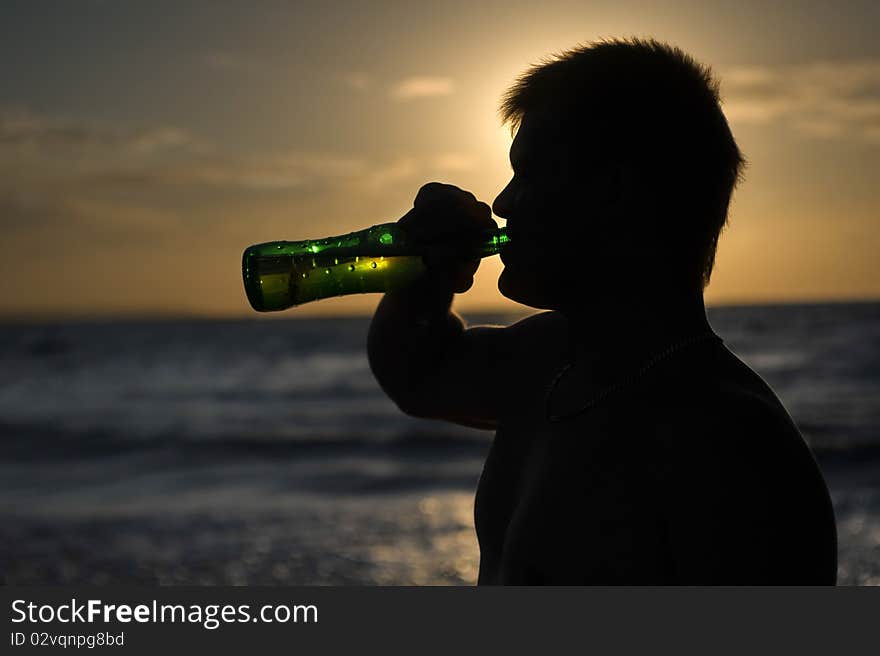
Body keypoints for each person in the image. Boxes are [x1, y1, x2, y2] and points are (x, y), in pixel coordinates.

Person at [367, 38, 837, 584]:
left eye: (530, 173)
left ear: (617, 191)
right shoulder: (549, 361)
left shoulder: (729, 441)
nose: (501, 203)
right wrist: (423, 280)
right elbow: (416, 373)